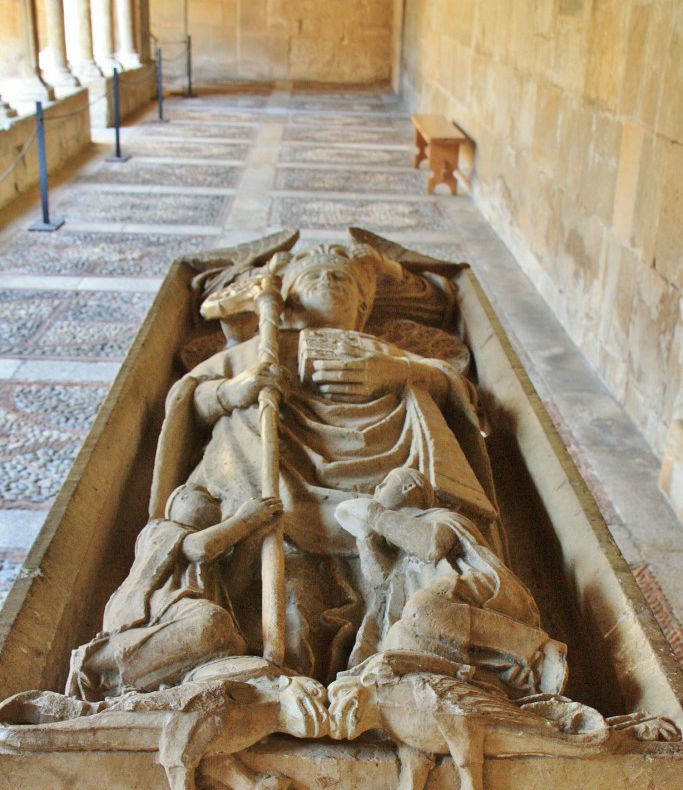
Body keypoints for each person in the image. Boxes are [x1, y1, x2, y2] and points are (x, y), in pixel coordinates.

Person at [149, 242, 504, 683]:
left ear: (362, 307)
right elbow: (190, 398)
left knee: (390, 565)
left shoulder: (385, 351)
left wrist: (395, 372)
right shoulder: (263, 348)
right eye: (313, 278)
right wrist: (234, 391)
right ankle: (275, 677)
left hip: (382, 471)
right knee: (293, 593)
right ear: (290, 304)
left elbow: (457, 390)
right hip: (280, 475)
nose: (327, 283)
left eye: (340, 279)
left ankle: (395, 664)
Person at [335, 467, 567, 695]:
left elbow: (432, 545)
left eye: (385, 484)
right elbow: (381, 581)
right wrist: (365, 536)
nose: (377, 489)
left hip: (475, 591)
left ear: (408, 487)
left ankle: (537, 653)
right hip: (435, 619)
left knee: (423, 610)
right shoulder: (395, 544)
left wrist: (375, 515)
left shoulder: (439, 517)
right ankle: (497, 687)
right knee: (398, 641)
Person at [66, 483, 281, 699]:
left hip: (188, 621)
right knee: (212, 621)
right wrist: (244, 520)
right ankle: (101, 670)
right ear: (180, 500)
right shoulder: (161, 528)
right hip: (155, 616)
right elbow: (199, 548)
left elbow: (233, 588)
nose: (216, 501)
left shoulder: (214, 559)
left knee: (234, 641)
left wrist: (256, 536)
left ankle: (175, 683)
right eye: (204, 496)